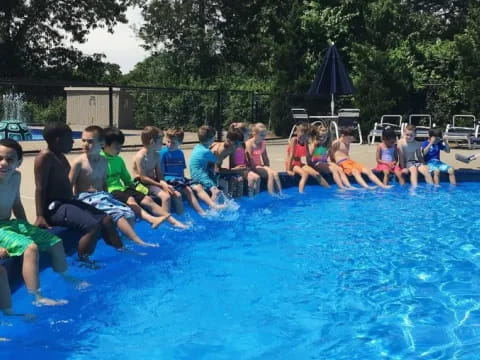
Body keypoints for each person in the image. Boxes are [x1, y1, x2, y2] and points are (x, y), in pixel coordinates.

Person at [34, 122, 122, 263]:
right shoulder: (45, 156)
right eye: (70, 138)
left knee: (106, 219)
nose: (73, 142)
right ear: (58, 140)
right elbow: (40, 187)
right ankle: (84, 262)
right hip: (55, 207)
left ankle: (122, 251)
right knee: (92, 226)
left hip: (68, 203)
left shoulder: (60, 157)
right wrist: (40, 215)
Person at [0, 139, 67, 306]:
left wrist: (26, 227)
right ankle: (37, 297)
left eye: (9, 160)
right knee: (30, 247)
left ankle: (65, 278)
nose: (3, 163)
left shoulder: (16, 177)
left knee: (54, 241)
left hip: (10, 224)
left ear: (19, 162)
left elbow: (16, 204)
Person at [69, 125, 152, 246]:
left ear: (102, 143)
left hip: (102, 196)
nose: (85, 144)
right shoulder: (79, 163)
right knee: (118, 214)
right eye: (83, 140)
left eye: (90, 141)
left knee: (129, 214)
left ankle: (126, 241)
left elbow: (103, 183)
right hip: (86, 198)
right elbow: (69, 185)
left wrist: (109, 197)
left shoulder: (103, 162)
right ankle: (138, 241)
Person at [101, 127, 172, 235]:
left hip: (121, 189)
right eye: (116, 146)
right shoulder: (99, 159)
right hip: (110, 191)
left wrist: (137, 189)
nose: (119, 149)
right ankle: (152, 220)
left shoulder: (118, 159)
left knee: (147, 199)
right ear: (104, 145)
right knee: (131, 200)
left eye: (121, 146)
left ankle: (170, 220)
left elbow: (126, 179)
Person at [132, 127, 186, 222]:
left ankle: (182, 219)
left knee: (177, 195)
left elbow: (160, 175)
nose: (163, 143)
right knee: (166, 197)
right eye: (160, 141)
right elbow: (143, 178)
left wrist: (165, 184)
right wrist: (160, 184)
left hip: (153, 182)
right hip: (141, 184)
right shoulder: (140, 157)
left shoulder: (156, 155)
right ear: (152, 142)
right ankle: (167, 223)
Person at [159, 128, 211, 215]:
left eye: (173, 143)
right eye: (168, 142)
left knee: (198, 186)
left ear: (180, 143)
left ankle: (211, 206)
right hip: (168, 178)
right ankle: (199, 213)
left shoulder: (180, 153)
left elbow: (181, 170)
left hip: (179, 178)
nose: (169, 145)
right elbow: (160, 172)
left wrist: (183, 180)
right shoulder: (163, 153)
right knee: (187, 190)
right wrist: (165, 184)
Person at [307, 123, 354, 190]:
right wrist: (311, 167)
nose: (322, 138)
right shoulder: (314, 144)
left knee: (339, 169)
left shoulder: (326, 144)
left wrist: (333, 163)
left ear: (327, 136)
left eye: (324, 136)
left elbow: (328, 156)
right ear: (317, 136)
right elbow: (309, 157)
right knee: (333, 170)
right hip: (316, 163)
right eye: (320, 136)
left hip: (324, 162)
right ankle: (341, 187)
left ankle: (349, 186)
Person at [286, 123, 329, 193]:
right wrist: (289, 169)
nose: (303, 138)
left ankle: (328, 189)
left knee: (317, 174)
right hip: (292, 163)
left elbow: (308, 156)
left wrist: (312, 166)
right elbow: (291, 155)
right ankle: (301, 193)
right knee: (305, 174)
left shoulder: (305, 142)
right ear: (297, 132)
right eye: (301, 136)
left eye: (305, 137)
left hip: (299, 163)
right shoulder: (294, 140)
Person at [245, 123, 282, 195]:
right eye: (261, 135)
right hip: (252, 166)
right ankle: (271, 194)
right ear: (254, 133)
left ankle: (280, 193)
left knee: (275, 174)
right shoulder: (249, 143)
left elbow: (265, 158)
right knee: (270, 174)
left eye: (265, 135)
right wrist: (263, 169)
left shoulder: (263, 143)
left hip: (259, 165)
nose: (264, 137)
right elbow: (250, 159)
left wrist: (267, 167)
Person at [189, 125, 223, 202]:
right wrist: (216, 152)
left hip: (194, 174)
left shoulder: (197, 146)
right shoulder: (206, 152)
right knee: (215, 191)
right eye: (214, 137)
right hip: (200, 175)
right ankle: (213, 208)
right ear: (210, 139)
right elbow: (218, 161)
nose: (215, 139)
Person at [210, 127, 245, 198]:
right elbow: (216, 171)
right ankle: (226, 205)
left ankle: (238, 201)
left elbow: (232, 166)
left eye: (240, 143)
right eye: (236, 143)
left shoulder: (231, 147)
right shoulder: (220, 151)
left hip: (214, 170)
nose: (238, 145)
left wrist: (236, 171)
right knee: (225, 183)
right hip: (207, 172)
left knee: (238, 179)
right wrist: (235, 170)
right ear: (228, 140)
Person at [228, 122, 261, 196]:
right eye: (247, 134)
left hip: (244, 169)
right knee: (243, 180)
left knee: (257, 178)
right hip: (237, 170)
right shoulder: (234, 146)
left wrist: (249, 166)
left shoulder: (243, 144)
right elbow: (231, 163)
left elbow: (245, 158)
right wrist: (236, 172)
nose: (249, 135)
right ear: (241, 134)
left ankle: (256, 198)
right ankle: (250, 196)